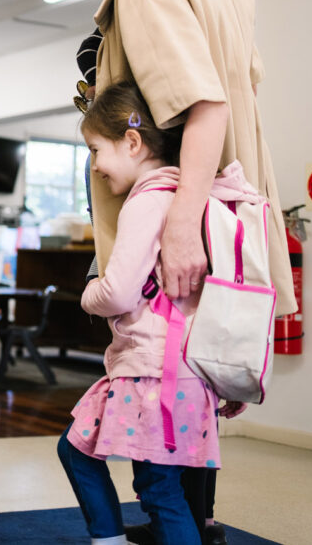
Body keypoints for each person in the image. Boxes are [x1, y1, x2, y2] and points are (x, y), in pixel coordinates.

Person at [20, 0, 296, 320]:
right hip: (232, 217)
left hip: (190, 221)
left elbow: (206, 106)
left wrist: (183, 227)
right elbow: (246, 86)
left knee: (161, 379)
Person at [59, 82, 250, 545]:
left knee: (160, 490)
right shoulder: (196, 199)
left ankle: (110, 538)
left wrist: (88, 293)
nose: (96, 165)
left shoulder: (147, 201)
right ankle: (110, 538)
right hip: (185, 371)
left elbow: (120, 293)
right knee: (87, 453)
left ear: (131, 142)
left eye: (95, 149)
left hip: (153, 373)